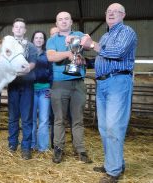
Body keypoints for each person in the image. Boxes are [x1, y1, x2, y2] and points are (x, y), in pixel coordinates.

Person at [81, 3, 137, 183]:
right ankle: (114, 163)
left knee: (114, 126)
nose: (111, 14)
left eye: (115, 12)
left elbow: (118, 52)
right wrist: (87, 62)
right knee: (104, 127)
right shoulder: (105, 36)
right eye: (108, 12)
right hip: (103, 83)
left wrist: (92, 44)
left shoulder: (127, 32)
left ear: (123, 15)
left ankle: (113, 172)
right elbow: (102, 57)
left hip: (118, 81)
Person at [46, 11, 92, 164]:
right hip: (59, 84)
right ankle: (58, 148)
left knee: (78, 119)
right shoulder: (52, 40)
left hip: (78, 83)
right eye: (60, 19)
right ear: (56, 23)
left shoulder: (78, 34)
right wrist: (67, 54)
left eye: (66, 19)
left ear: (71, 22)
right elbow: (51, 56)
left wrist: (83, 40)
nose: (64, 21)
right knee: (59, 119)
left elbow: (89, 45)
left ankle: (80, 149)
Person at [8, 18, 37, 160]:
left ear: (25, 31)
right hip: (13, 85)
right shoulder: (8, 46)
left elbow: (33, 62)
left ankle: (26, 148)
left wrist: (28, 68)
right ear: (13, 29)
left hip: (27, 85)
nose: (19, 29)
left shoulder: (30, 46)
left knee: (26, 118)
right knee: (13, 117)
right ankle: (12, 145)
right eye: (16, 27)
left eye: (21, 27)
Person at [30, 30, 52, 152]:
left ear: (44, 41)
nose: (38, 40)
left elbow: (52, 72)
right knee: (31, 119)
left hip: (45, 90)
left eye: (41, 38)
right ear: (33, 39)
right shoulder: (28, 54)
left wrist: (52, 87)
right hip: (31, 90)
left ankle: (43, 147)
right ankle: (32, 145)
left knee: (44, 119)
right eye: (36, 37)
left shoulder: (48, 55)